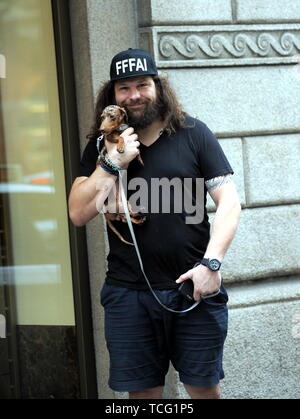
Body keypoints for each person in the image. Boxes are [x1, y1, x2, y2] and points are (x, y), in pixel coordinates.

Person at [68, 48, 241, 399]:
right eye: (124, 88)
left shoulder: (193, 133)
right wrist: (111, 162)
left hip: (191, 286)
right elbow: (77, 212)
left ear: (158, 86)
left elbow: (229, 202)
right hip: (128, 293)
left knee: (204, 390)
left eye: (142, 85)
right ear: (112, 95)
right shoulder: (102, 146)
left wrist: (211, 264)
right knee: (142, 396)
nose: (134, 95)